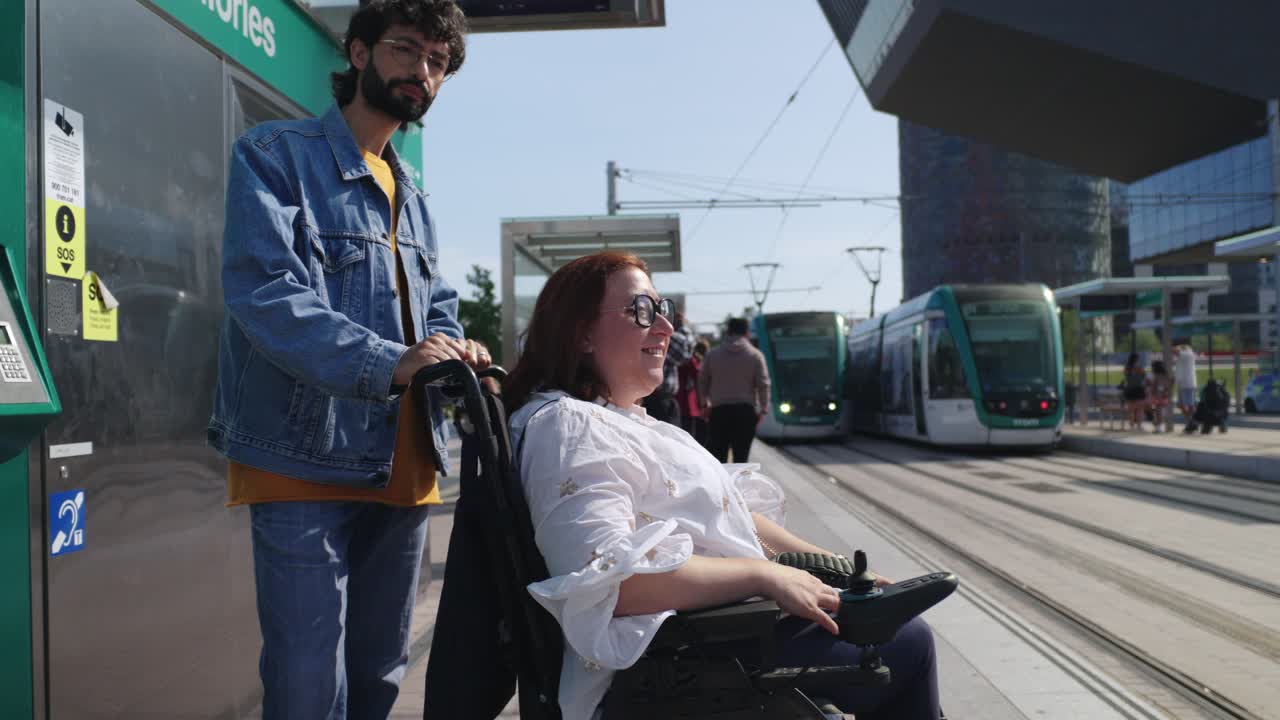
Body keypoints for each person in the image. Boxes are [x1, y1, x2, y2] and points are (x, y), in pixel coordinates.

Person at [502, 251, 940, 720]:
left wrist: (836, 572)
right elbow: (612, 585)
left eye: (662, 309)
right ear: (581, 331)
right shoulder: (570, 428)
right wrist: (765, 575)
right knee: (909, 646)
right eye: (641, 312)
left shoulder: (618, 420)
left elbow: (728, 515)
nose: (666, 329)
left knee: (898, 629)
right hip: (678, 661)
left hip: (716, 639)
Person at [206, 3, 489, 717]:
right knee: (307, 689)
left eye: (437, 62)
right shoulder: (275, 156)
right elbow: (264, 293)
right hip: (301, 458)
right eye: (405, 50)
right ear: (359, 53)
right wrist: (390, 360)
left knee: (378, 679)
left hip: (406, 465)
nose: (421, 71)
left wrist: (459, 348)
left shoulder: (414, 196)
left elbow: (438, 303)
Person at [700, 317, 771, 462]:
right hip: (745, 413)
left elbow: (702, 381)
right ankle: (740, 484)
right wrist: (763, 408)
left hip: (719, 412)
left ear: (727, 331)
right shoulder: (756, 355)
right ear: (747, 333)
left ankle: (722, 485)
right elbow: (763, 384)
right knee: (741, 458)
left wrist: (704, 403)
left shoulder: (712, 355)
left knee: (719, 459)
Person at [642, 310, 692, 426]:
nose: (668, 328)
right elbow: (684, 354)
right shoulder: (669, 335)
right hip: (659, 397)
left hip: (661, 397)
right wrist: (681, 326)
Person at [678, 338, 710, 447]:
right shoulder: (694, 362)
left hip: (684, 403)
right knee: (693, 438)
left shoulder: (685, 360)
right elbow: (699, 379)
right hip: (691, 405)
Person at [1121, 352, 1147, 431]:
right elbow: (1144, 376)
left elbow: (1125, 376)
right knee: (1140, 409)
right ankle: (1139, 425)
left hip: (1129, 389)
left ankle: (1131, 426)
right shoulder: (1139, 367)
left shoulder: (1127, 368)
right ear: (1137, 359)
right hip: (1139, 389)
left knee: (1131, 409)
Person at [1146, 360, 1173, 432]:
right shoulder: (1166, 375)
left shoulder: (1157, 376)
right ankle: (1159, 426)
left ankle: (1159, 427)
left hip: (1157, 396)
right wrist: (1167, 390)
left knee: (1158, 411)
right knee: (1159, 411)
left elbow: (1154, 385)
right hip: (1164, 395)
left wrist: (1152, 391)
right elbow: (1171, 382)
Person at [1175, 343, 1198, 424]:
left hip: (1186, 383)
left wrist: (1179, 348)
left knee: (1188, 404)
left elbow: (1179, 351)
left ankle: (1191, 420)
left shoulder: (1187, 355)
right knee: (1183, 404)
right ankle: (1190, 420)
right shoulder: (1184, 357)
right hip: (1185, 383)